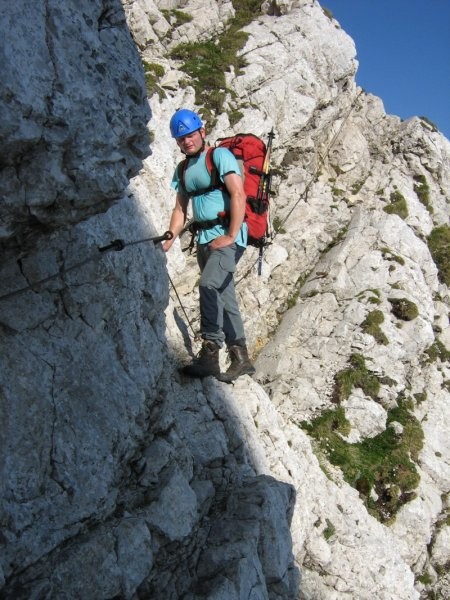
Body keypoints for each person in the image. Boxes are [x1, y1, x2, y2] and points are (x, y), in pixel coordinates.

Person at [162, 108, 255, 382]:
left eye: (190, 135)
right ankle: (241, 358)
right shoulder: (183, 169)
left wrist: (231, 234)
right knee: (224, 296)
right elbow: (180, 209)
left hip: (228, 238)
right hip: (204, 240)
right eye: (181, 139)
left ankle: (210, 352)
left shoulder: (219, 156)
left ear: (202, 132)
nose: (187, 141)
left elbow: (238, 194)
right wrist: (170, 236)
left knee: (208, 284)